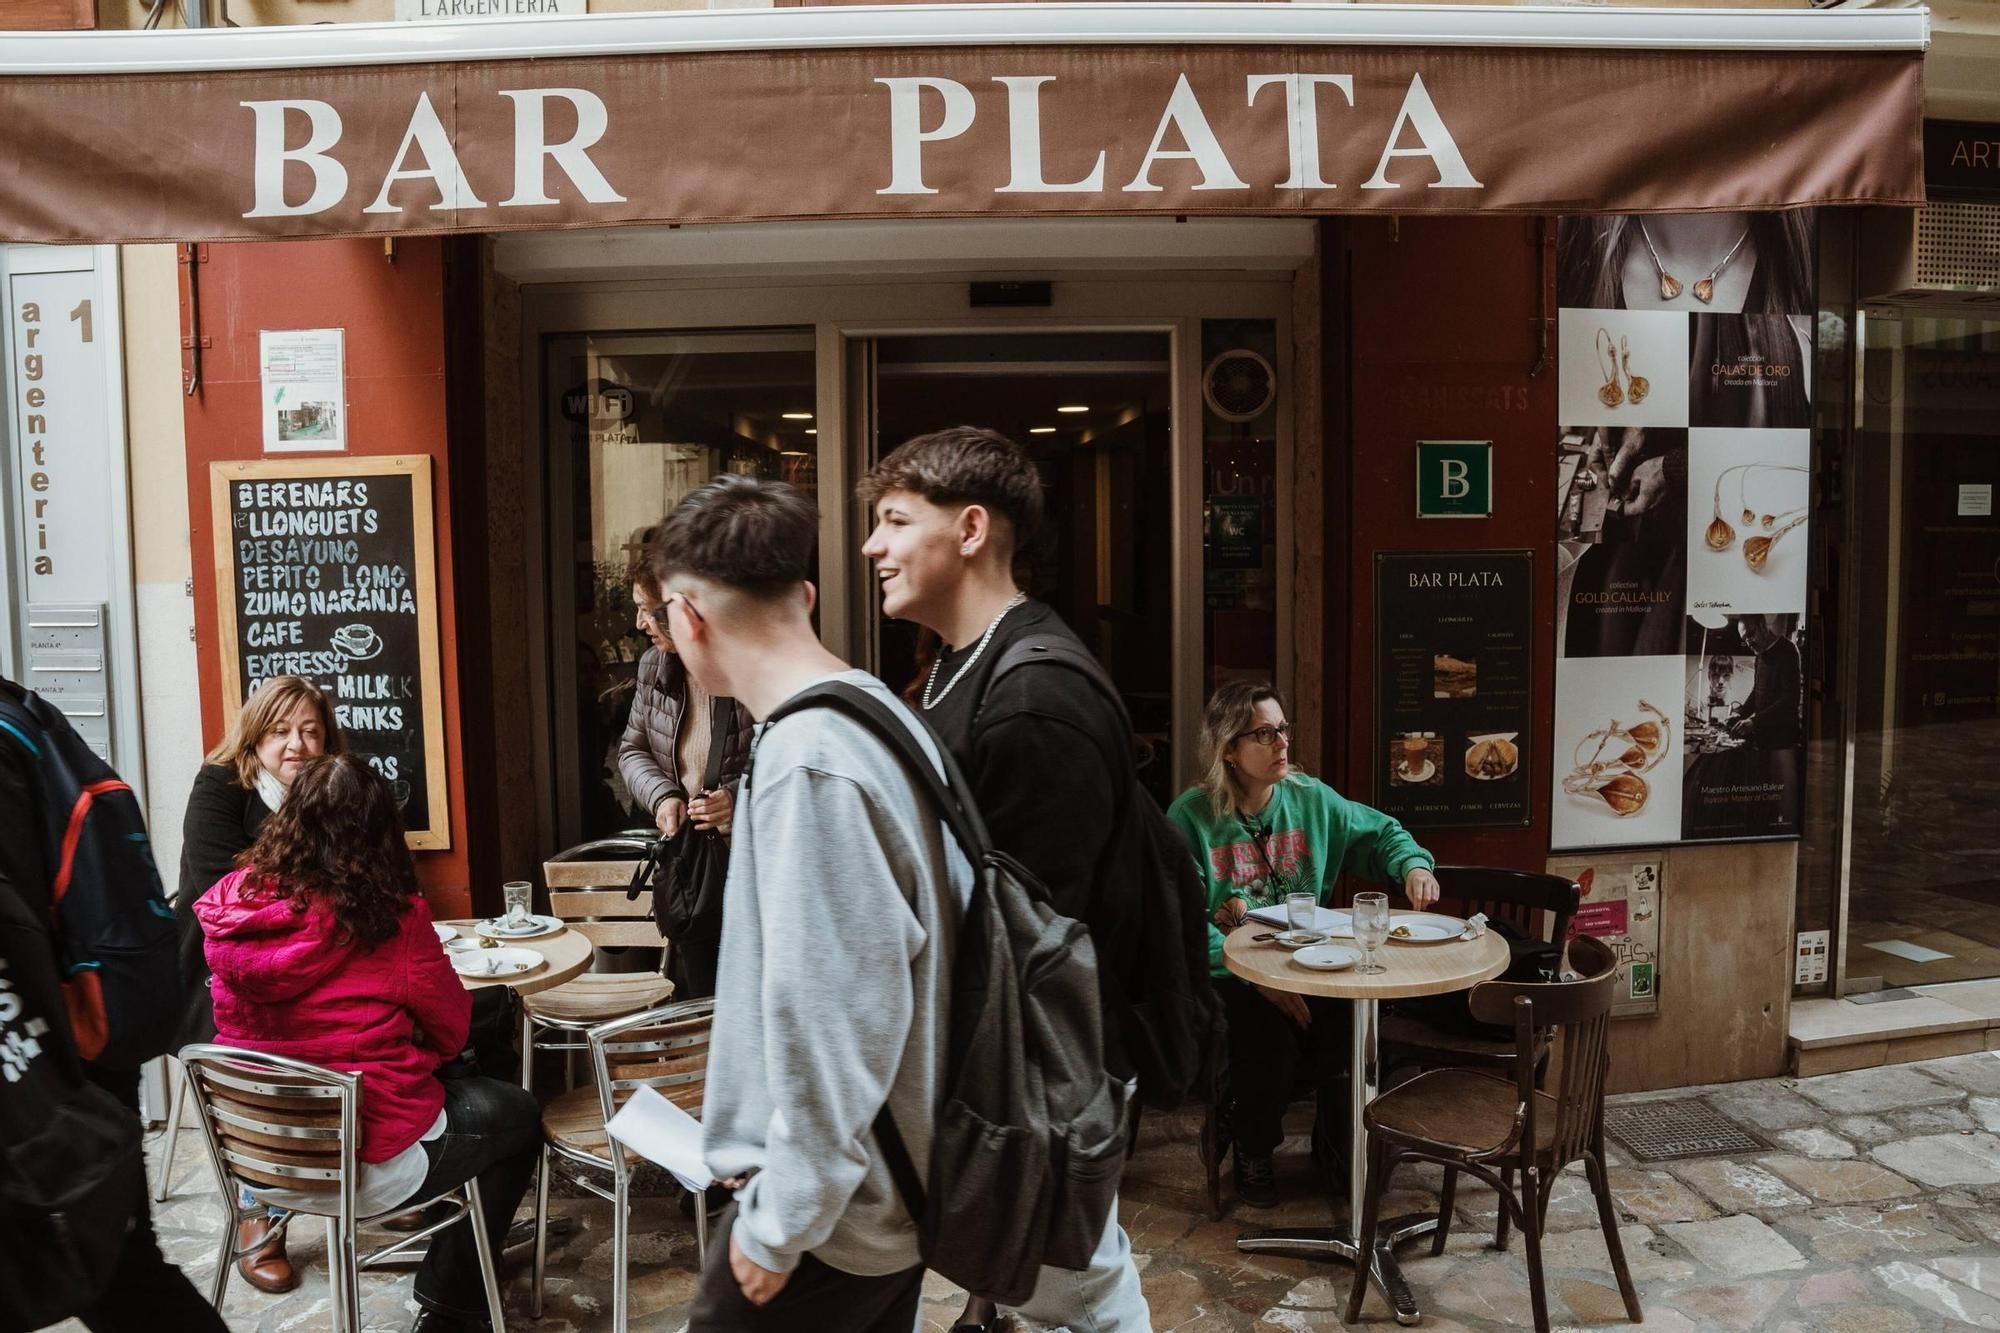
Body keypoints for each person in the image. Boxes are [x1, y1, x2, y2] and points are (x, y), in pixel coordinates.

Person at [649, 476, 972, 1332]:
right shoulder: (875, 711)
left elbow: (842, 1015)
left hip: (838, 1217)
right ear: (806, 596)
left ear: (687, 619)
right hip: (884, 1187)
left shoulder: (809, 760)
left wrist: (780, 1219)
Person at [857, 425, 1151, 1333]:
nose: (873, 546)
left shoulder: (1034, 701)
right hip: (1011, 1073)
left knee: (1088, 1294)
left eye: (896, 520)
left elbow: (1033, 952)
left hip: (1044, 1081)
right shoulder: (954, 665)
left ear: (972, 528)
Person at [196, 753, 542, 1333]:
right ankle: (451, 1301)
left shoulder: (234, 906)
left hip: (259, 1159)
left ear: (287, 819)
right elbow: (453, 1030)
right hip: (367, 1159)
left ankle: (455, 1279)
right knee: (518, 1115)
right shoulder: (393, 918)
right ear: (382, 832)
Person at [0, 676, 230, 1333]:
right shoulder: (26, 715)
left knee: (120, 1277)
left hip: (55, 1057)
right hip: (86, 1032)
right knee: (123, 1275)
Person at [1167, 681, 1440, 1208]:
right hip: (1224, 975)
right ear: (1229, 748)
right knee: (1264, 1029)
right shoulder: (1191, 818)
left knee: (1354, 1018)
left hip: (1305, 963)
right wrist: (1253, 978)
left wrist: (1413, 865)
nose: (1282, 744)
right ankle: (1254, 1151)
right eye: (1264, 734)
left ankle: (1321, 1142)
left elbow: (1382, 832)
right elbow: (1178, 920)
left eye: (1283, 729)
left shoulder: (1311, 799)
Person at [173, 672, 344, 1293]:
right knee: (260, 1052)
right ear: (255, 736)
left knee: (372, 1023)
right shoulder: (219, 784)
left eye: (309, 730)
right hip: (221, 967)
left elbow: (368, 865)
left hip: (312, 957)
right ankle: (257, 1210)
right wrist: (319, 882)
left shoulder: (336, 787)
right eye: (279, 730)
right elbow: (219, 883)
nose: (295, 744)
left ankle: (371, 1176)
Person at [616, 525, 754, 997]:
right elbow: (632, 749)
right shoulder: (654, 667)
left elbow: (781, 759)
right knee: (700, 993)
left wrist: (738, 800)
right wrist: (664, 796)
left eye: (645, 610)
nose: (639, 624)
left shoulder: (749, 667)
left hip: (751, 863)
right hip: (692, 865)